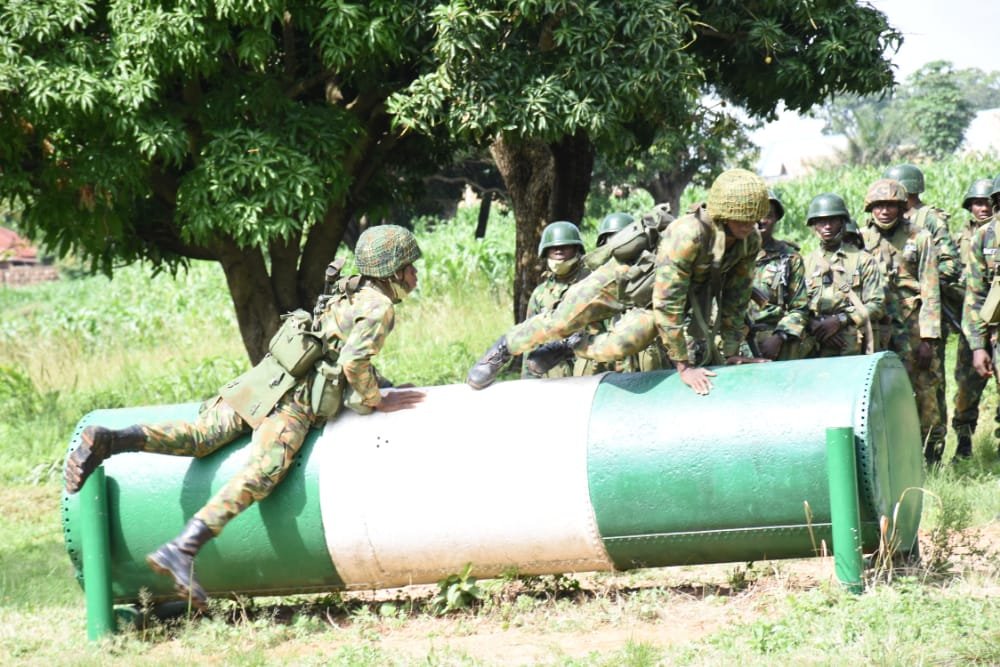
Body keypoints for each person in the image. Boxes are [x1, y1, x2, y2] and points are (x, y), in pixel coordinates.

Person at [63, 225, 426, 607]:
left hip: (265, 380)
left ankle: (111, 439)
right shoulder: (379, 307)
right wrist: (377, 400)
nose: (415, 275)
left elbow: (333, 343)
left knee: (199, 437)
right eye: (410, 267)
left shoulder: (350, 289)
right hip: (293, 402)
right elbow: (352, 361)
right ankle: (183, 548)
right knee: (260, 476)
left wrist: (381, 383)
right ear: (393, 271)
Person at [466, 168, 770, 395]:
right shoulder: (688, 234)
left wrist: (732, 352)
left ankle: (572, 347)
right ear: (721, 214)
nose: (748, 226)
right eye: (741, 220)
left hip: (652, 301)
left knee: (621, 345)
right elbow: (669, 301)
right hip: (622, 280)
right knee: (561, 321)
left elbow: (736, 298)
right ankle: (503, 349)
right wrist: (684, 366)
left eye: (752, 220)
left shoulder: (749, 242)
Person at [861, 178, 943, 464]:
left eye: (891, 206)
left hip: (913, 325)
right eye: (879, 206)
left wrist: (929, 338)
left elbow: (931, 289)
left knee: (925, 390)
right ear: (870, 208)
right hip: (877, 327)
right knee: (880, 392)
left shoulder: (919, 237)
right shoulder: (860, 239)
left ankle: (932, 456)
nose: (884, 211)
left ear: (901, 207)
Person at [884, 164, 961, 446]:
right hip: (891, 317)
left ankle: (934, 445)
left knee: (930, 384)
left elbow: (951, 265)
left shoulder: (930, 219)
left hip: (923, 312)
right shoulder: (884, 222)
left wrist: (923, 279)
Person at [800, 193, 884, 357]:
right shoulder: (804, 263)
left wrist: (841, 321)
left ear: (842, 222)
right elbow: (795, 306)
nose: (827, 226)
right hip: (815, 346)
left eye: (833, 220)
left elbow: (877, 304)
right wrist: (817, 326)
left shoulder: (863, 260)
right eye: (821, 221)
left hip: (853, 347)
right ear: (814, 225)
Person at [954, 177, 1000, 458]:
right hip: (991, 328)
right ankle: (963, 443)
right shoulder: (984, 236)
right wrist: (977, 345)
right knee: (966, 389)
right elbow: (975, 295)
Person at [521, 221, 589, 379]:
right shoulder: (540, 294)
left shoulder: (592, 285)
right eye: (553, 247)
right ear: (545, 252)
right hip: (552, 376)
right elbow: (530, 340)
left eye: (565, 246)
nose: (559, 250)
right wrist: (528, 381)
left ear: (576, 249)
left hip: (591, 374)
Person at [746, 191, 809, 360]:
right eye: (754, 214)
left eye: (767, 215)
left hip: (772, 338)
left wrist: (779, 336)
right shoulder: (728, 254)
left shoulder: (789, 257)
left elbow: (800, 308)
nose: (760, 220)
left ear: (775, 219)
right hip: (734, 338)